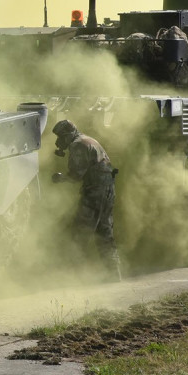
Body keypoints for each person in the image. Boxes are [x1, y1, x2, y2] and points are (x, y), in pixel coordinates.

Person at [51, 119, 122, 281]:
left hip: (95, 192)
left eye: (61, 136)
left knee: (79, 234)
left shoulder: (77, 145)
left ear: (68, 134)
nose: (59, 141)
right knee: (105, 233)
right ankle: (114, 274)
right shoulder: (89, 140)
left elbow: (76, 175)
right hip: (108, 190)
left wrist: (61, 178)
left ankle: (74, 278)